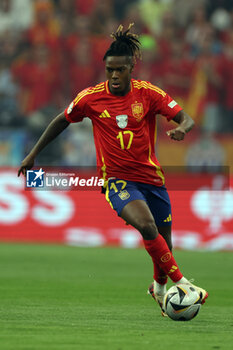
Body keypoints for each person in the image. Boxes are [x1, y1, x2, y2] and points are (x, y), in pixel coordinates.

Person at [18, 23, 208, 316]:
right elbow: (61, 119)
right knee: (146, 226)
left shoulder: (149, 94)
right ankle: (184, 284)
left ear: (131, 67)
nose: (114, 76)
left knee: (164, 246)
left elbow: (187, 119)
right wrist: (33, 154)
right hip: (117, 180)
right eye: (110, 71)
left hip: (153, 180)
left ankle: (158, 288)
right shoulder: (91, 98)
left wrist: (182, 129)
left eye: (120, 70)